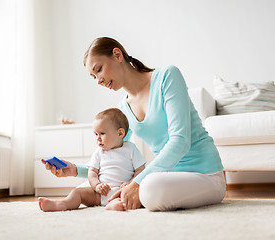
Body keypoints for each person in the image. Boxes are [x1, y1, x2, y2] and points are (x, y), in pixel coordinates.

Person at [43, 37, 226, 211]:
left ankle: (140, 192)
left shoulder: (167, 76)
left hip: (205, 175)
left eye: (99, 69)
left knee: (149, 189)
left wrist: (136, 183)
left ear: (117, 55)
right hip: (167, 178)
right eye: (93, 76)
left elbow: (180, 141)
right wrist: (74, 170)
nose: (98, 80)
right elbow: (115, 153)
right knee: (91, 188)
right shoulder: (123, 109)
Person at [38, 108, 146, 212]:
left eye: (102, 133)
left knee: (138, 197)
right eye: (96, 134)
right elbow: (92, 172)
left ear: (120, 133)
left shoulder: (130, 149)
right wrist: (97, 185)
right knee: (77, 192)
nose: (98, 138)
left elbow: (140, 170)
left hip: (122, 191)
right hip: (99, 194)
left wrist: (131, 183)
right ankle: (62, 204)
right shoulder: (99, 152)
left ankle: (114, 204)